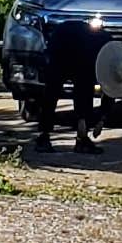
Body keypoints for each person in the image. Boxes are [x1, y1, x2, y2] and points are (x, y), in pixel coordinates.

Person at [28, 14, 104, 152]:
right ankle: (49, 137)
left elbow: (109, 91)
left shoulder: (106, 52)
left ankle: (50, 137)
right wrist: (101, 120)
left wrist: (101, 120)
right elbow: (109, 91)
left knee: (62, 91)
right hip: (65, 46)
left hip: (71, 43)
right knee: (65, 91)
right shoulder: (106, 57)